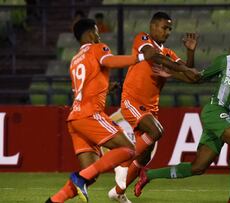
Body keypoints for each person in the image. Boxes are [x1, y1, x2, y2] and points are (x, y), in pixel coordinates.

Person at [134, 32, 230, 203]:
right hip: (214, 111)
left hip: (225, 118)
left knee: (198, 167)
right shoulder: (226, 61)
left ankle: (148, 174)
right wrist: (177, 68)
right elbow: (197, 78)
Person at [45, 18, 156, 203]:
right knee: (128, 148)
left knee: (91, 174)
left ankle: (54, 201)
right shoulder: (98, 48)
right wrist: (141, 57)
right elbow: (110, 61)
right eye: (96, 32)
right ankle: (79, 178)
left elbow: (84, 87)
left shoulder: (74, 60)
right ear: (90, 33)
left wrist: (105, 88)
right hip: (90, 114)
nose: (99, 36)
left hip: (75, 119)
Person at [107, 11, 199, 203]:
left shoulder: (169, 53)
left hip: (150, 108)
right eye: (164, 27)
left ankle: (118, 192)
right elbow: (153, 57)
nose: (167, 32)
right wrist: (178, 69)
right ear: (153, 26)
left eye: (170, 29)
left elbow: (191, 76)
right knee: (157, 131)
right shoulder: (142, 39)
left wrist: (189, 53)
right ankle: (122, 165)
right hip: (132, 101)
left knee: (144, 158)